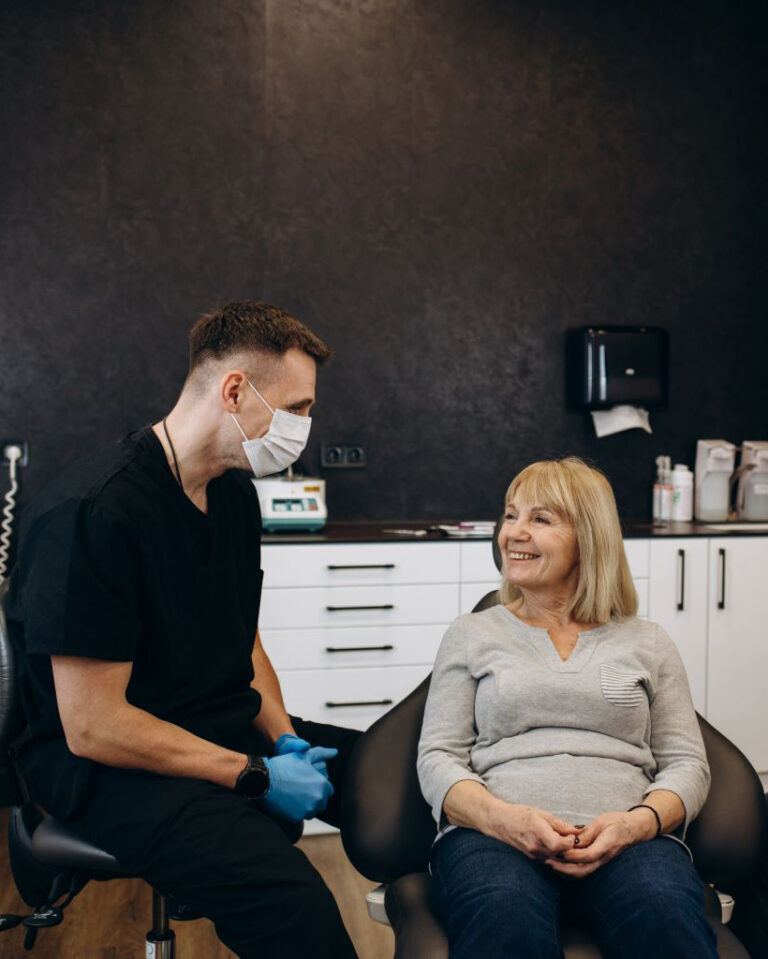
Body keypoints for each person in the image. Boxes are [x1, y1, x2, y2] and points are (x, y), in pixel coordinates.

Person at [6, 301, 360, 959]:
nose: (304, 427)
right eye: (298, 407)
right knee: (295, 907)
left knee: (387, 784)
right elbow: (93, 724)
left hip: (208, 724)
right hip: (106, 766)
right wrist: (253, 774)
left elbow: (245, 642)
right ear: (235, 391)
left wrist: (281, 734)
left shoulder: (231, 493)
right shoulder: (95, 513)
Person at [417, 457, 716, 959]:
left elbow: (688, 764)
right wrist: (500, 819)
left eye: (540, 519)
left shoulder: (649, 642)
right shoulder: (471, 634)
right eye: (510, 515)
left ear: (589, 538)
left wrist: (636, 823)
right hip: (496, 838)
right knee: (503, 916)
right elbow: (438, 757)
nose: (514, 533)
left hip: (629, 839)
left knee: (667, 914)